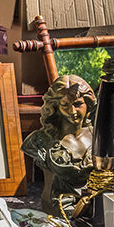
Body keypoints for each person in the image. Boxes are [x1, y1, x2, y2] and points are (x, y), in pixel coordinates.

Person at [21, 74, 97, 212]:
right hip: (55, 211)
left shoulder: (97, 136)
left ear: (88, 103)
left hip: (94, 210)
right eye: (65, 105)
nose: (72, 111)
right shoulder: (40, 140)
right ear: (55, 106)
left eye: (78, 104)